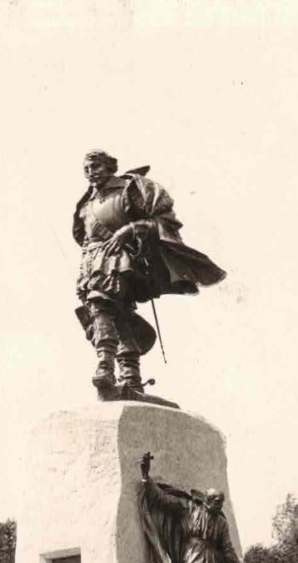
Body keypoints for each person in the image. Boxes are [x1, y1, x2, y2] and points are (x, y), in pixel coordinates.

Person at [73, 150, 226, 398]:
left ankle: (105, 366)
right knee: (119, 314)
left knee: (100, 303)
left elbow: (163, 222)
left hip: (123, 259)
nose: (91, 172)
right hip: (92, 264)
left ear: (110, 166)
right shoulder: (85, 204)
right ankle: (131, 379)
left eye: (97, 166)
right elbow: (86, 239)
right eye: (87, 169)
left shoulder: (131, 188)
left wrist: (129, 230)